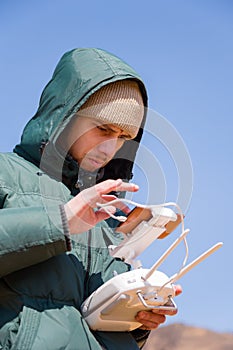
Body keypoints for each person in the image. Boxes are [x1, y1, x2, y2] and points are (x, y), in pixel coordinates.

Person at [0, 48, 181, 350]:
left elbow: (93, 316)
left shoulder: (108, 212)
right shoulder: (5, 172)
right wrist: (61, 222)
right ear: (66, 116)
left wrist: (137, 321)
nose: (111, 149)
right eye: (103, 129)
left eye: (124, 136)